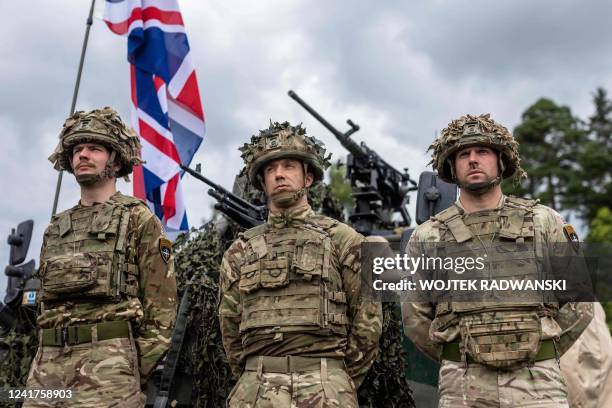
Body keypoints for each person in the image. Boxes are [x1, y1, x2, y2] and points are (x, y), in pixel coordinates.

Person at [402, 113, 593, 407]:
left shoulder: (544, 221)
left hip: (538, 386)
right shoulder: (428, 236)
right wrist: (461, 356)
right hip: (463, 387)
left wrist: (539, 348)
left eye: (483, 151)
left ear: (501, 161)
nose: (473, 160)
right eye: (463, 154)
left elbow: (581, 304)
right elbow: (414, 317)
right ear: (452, 166)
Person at [218, 121, 382, 407]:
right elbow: (229, 328)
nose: (279, 174)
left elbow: (368, 325)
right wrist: (254, 376)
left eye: (289, 166)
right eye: (270, 169)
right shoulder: (239, 250)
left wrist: (337, 380)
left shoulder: (345, 240)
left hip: (325, 387)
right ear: (262, 182)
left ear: (308, 178)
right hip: (256, 389)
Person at [23, 107, 177, 407]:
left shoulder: (139, 219)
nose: (83, 155)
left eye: (94, 148)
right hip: (47, 367)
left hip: (108, 368)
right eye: (78, 149)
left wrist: (129, 366)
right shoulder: (56, 227)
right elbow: (42, 303)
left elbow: (163, 309)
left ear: (115, 159)